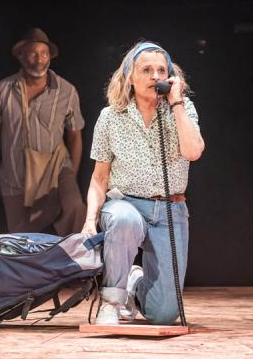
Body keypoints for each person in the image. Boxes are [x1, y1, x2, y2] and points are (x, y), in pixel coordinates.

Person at [82, 41, 205, 325]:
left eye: (162, 70)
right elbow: (99, 178)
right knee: (123, 220)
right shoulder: (111, 117)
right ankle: (111, 302)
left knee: (163, 315)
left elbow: (193, 151)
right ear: (130, 77)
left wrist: (175, 104)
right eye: (146, 70)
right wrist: (90, 219)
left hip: (170, 209)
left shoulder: (183, 109)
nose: (155, 76)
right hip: (127, 204)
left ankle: (134, 283)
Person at [0, 28, 86, 235]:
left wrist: (71, 175)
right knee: (20, 240)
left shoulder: (66, 91)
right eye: (33, 53)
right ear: (21, 56)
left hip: (56, 169)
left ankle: (76, 263)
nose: (39, 59)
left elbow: (75, 135)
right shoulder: (2, 90)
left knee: (75, 208)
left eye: (44, 53)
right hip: (16, 174)